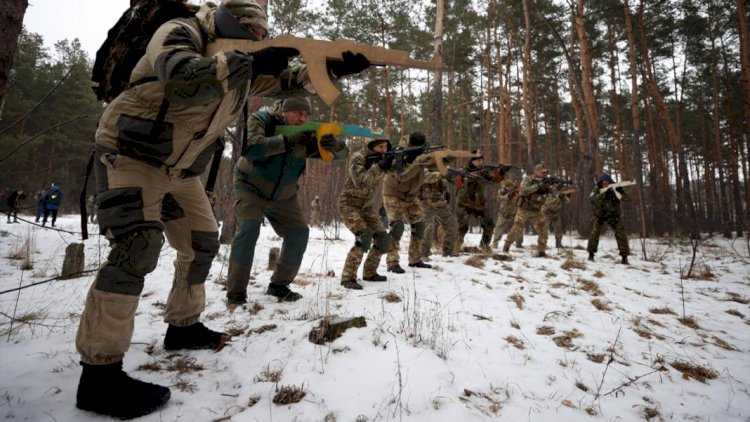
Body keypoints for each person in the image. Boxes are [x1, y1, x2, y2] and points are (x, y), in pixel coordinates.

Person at [74, 1, 369, 418]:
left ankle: (183, 326)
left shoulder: (243, 62)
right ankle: (99, 376)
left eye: (261, 37)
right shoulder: (181, 32)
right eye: (250, 34)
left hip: (180, 168)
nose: (257, 41)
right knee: (136, 248)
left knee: (202, 242)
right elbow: (182, 78)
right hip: (133, 154)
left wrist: (334, 68)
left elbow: (287, 81)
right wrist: (249, 59)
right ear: (229, 27)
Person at [225, 97, 347, 305]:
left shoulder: (306, 133)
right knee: (249, 230)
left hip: (284, 195)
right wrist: (288, 141)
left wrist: (335, 146)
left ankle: (279, 285)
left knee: (299, 232)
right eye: (299, 114)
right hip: (251, 187)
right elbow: (251, 148)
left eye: (307, 114)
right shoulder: (262, 119)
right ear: (285, 112)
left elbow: (339, 156)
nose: (304, 118)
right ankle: (236, 294)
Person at [338, 138, 393, 289]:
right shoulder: (358, 158)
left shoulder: (384, 158)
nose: (384, 150)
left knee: (383, 239)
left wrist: (407, 159)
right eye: (381, 147)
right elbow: (361, 181)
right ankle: (347, 277)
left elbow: (400, 172)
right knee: (364, 236)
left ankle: (370, 273)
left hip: (366, 208)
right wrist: (380, 167)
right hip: (349, 205)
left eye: (386, 147)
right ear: (372, 147)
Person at [383, 132, 434, 273]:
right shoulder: (397, 154)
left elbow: (430, 171)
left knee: (419, 226)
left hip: (411, 195)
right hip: (393, 193)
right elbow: (401, 177)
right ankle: (392, 262)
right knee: (397, 227)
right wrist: (411, 160)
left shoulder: (421, 155)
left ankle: (415, 259)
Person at [456, 150, 502, 251]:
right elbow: (456, 182)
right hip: (465, 203)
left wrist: (501, 171)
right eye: (477, 161)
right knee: (462, 226)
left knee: (489, 224)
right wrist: (466, 177)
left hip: (479, 204)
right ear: (471, 161)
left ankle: (484, 246)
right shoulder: (463, 171)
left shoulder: (484, 171)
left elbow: (496, 180)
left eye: (481, 160)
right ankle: (455, 247)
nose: (480, 163)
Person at [503, 164, 551, 257]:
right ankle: (506, 247)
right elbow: (523, 191)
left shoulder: (545, 181)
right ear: (536, 171)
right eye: (542, 172)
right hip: (524, 209)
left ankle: (541, 251)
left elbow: (551, 193)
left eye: (546, 172)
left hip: (537, 210)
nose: (544, 174)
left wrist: (551, 188)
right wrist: (538, 186)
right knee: (517, 227)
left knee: (543, 229)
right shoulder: (528, 179)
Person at [587, 174, 630, 264]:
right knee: (594, 233)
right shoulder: (597, 189)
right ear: (601, 183)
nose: (605, 185)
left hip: (614, 216)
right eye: (604, 183)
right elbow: (592, 199)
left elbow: (628, 199)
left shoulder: (615, 188)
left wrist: (620, 191)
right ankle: (591, 255)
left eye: (607, 183)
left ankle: (624, 257)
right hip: (600, 215)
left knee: (621, 233)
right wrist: (604, 193)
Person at [419, 169, 458, 258]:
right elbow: (428, 178)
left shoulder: (444, 167)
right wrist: (442, 174)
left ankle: (448, 252)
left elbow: (454, 181)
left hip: (441, 203)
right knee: (428, 227)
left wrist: (457, 176)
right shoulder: (423, 166)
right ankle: (423, 254)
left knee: (452, 225)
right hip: (425, 204)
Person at [491, 179, 521, 249]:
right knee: (499, 228)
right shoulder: (501, 191)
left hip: (514, 213)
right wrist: (508, 195)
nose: (509, 188)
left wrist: (517, 194)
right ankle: (495, 243)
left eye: (510, 186)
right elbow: (499, 199)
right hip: (503, 213)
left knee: (519, 227)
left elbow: (520, 200)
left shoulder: (516, 192)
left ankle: (519, 244)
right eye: (507, 186)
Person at [542, 183, 571, 249]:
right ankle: (543, 243)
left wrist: (566, 196)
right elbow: (549, 203)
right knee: (544, 228)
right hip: (547, 212)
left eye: (562, 187)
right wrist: (558, 197)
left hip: (555, 213)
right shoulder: (550, 192)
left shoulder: (561, 194)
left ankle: (558, 243)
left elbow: (567, 202)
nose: (561, 188)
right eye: (560, 187)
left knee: (558, 228)